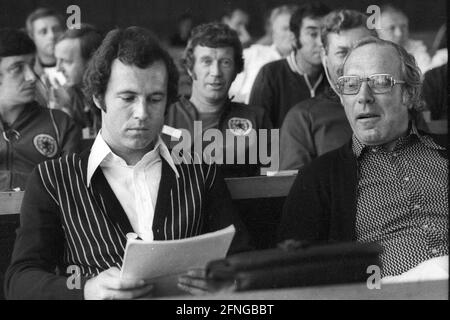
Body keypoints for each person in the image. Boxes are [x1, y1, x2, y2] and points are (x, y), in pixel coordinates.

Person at [5, 26, 250, 300]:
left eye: (155, 99)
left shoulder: (200, 170)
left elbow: (241, 258)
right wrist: (86, 289)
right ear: (99, 98)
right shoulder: (53, 178)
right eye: (128, 97)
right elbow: (20, 280)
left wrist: (225, 279)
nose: (142, 113)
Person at [279, 37, 448, 279]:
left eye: (380, 82)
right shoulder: (319, 177)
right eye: (350, 84)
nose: (364, 96)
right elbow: (293, 270)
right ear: (342, 97)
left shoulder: (443, 152)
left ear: (409, 93)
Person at [165, 23, 272, 177]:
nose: (216, 72)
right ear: (190, 68)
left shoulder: (258, 118)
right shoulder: (165, 117)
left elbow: (271, 183)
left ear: (237, 70)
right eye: (206, 61)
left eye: (225, 62)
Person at [280, 10, 377, 170]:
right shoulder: (303, 119)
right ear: (325, 58)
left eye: (361, 50)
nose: (352, 61)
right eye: (342, 52)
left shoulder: (401, 104)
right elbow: (292, 188)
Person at [0, 28, 81, 191]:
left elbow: (70, 187)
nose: (31, 76)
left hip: (41, 215)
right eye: (17, 68)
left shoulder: (60, 124)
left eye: (31, 65)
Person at [249, 2, 330, 128]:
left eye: (325, 34)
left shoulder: (334, 75)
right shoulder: (270, 74)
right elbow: (258, 134)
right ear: (294, 38)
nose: (321, 42)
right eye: (313, 34)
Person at [229, 5, 298, 104]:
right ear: (273, 32)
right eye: (285, 28)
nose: (291, 34)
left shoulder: (305, 65)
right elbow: (228, 92)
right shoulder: (254, 54)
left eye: (294, 29)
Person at [54, 24, 103, 138]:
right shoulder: (67, 96)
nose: (58, 68)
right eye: (57, 60)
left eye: (66, 61)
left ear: (92, 61)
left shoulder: (114, 98)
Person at [25, 7, 65, 108]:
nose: (52, 36)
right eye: (43, 32)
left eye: (56, 29)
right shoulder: (28, 73)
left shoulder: (79, 67)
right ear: (31, 36)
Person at [377, 4, 431, 73]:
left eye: (403, 26)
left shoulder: (416, 47)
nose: (399, 33)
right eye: (392, 28)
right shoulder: (372, 52)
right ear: (377, 31)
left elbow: (425, 73)